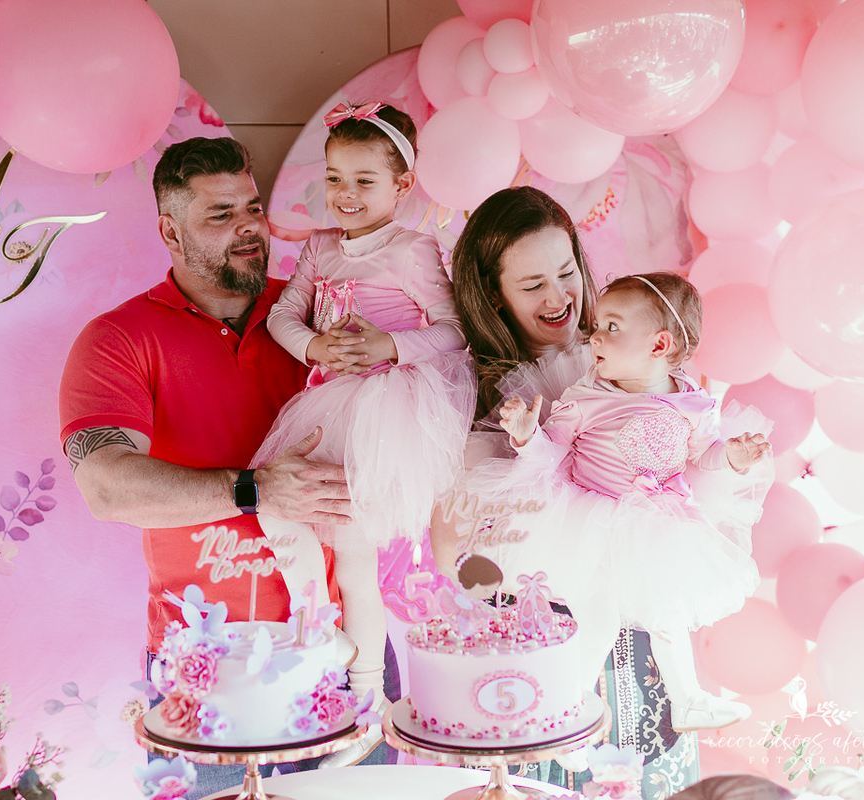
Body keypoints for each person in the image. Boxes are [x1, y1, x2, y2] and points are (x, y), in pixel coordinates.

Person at [58, 136, 397, 797]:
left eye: (252, 207)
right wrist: (254, 490)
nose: (248, 228)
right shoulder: (118, 341)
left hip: (343, 654)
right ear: (170, 231)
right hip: (206, 667)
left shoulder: (317, 319)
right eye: (220, 216)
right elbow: (104, 485)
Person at [432, 186, 699, 799]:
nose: (559, 299)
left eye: (566, 272)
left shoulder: (634, 360)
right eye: (531, 286)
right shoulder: (469, 393)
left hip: (631, 620)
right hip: (528, 632)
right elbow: (456, 558)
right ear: (491, 295)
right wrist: (511, 594)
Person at [252, 101, 475, 715]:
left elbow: (454, 329)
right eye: (335, 178)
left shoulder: (412, 250)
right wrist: (313, 344)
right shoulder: (321, 247)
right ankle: (318, 630)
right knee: (278, 510)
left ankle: (369, 695)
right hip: (325, 402)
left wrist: (391, 345)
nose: (345, 195)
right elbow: (282, 315)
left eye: (363, 181)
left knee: (354, 554)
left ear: (402, 186)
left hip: (382, 411)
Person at [490, 272, 772, 732]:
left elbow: (704, 454)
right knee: (597, 618)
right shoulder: (586, 398)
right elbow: (552, 454)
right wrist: (526, 437)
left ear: (659, 346)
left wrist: (734, 457)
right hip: (593, 521)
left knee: (668, 613)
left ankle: (689, 702)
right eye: (598, 324)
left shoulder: (693, 404)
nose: (595, 335)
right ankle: (572, 714)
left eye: (612, 327)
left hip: (660, 523)